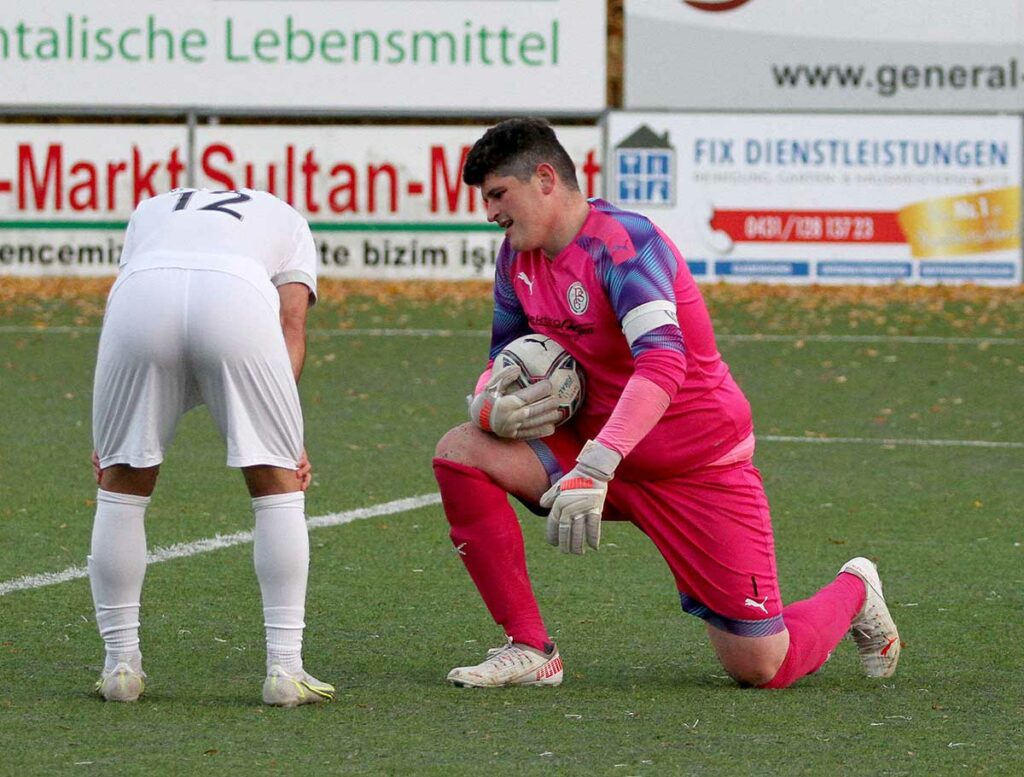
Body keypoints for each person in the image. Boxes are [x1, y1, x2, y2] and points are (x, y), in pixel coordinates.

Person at [432, 118, 901, 689]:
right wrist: (488, 407)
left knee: (760, 668)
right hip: (591, 451)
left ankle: (855, 590)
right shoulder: (516, 258)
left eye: (498, 194)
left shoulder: (627, 245)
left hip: (696, 467)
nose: (491, 213)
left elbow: (663, 362)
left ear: (546, 179)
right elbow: (501, 358)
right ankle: (531, 649)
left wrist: (595, 467)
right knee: (461, 449)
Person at [88, 187, 333, 707]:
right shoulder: (289, 219)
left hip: (140, 298)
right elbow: (291, 327)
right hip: (236, 297)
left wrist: (109, 434)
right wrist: (284, 431)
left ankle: (120, 669)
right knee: (275, 483)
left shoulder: (150, 208)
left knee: (122, 484)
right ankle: (285, 670)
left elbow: (125, 298)